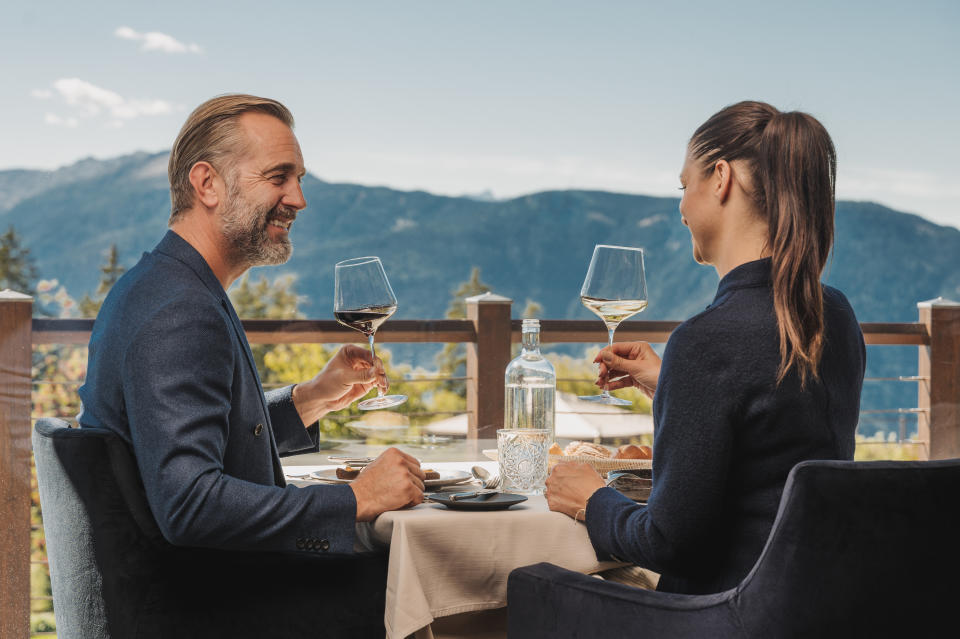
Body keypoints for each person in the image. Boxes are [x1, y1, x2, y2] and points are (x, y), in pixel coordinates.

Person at [78, 94, 426, 557]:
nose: (299, 200)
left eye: (298, 179)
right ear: (207, 183)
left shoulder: (166, 285)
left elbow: (191, 438)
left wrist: (309, 400)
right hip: (215, 609)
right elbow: (191, 505)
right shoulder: (180, 312)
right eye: (278, 177)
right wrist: (357, 498)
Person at [545, 100, 866, 595]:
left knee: (530, 585)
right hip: (810, 607)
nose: (681, 207)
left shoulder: (707, 340)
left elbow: (671, 545)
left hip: (720, 617)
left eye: (683, 185)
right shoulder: (834, 315)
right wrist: (672, 383)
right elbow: (773, 440)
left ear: (720, 179)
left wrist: (591, 499)